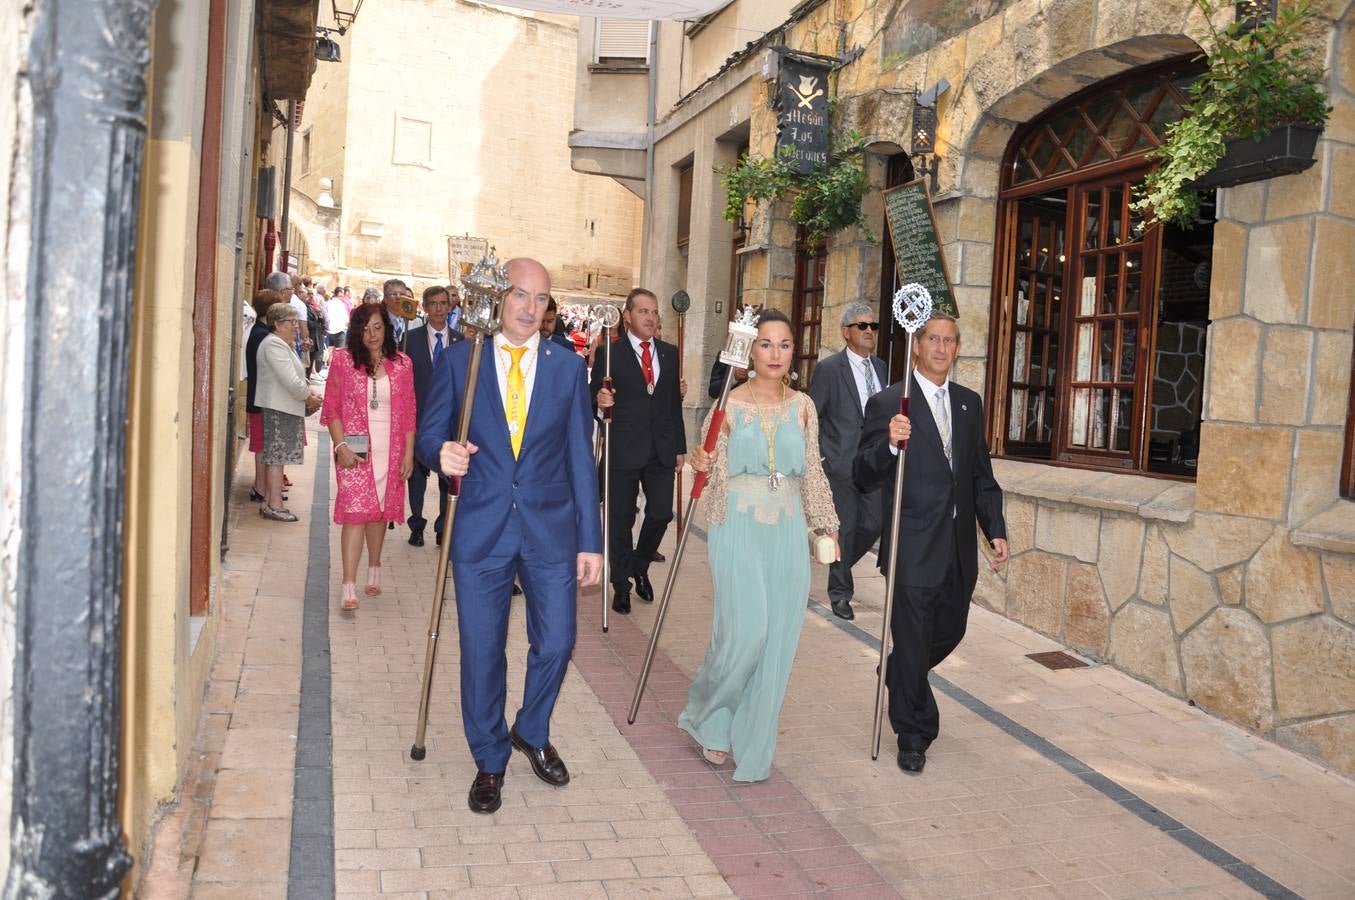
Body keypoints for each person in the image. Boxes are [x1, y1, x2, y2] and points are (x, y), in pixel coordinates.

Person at [418, 257, 602, 815]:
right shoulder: (460, 361)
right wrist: (442, 454)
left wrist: (590, 541)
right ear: (501, 298)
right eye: (520, 295)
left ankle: (530, 727)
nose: (529, 307)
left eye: (541, 299)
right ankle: (490, 758)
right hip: (480, 528)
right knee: (480, 649)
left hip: (550, 529)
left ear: (550, 308)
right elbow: (429, 436)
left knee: (557, 641)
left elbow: (580, 457)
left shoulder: (568, 369)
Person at [680, 309, 839, 782]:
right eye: (765, 344)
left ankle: (749, 736)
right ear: (750, 351)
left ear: (794, 351)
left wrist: (826, 525)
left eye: (784, 344)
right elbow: (708, 477)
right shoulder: (728, 405)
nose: (775, 353)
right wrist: (700, 461)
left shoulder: (805, 406)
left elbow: (812, 472)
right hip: (738, 529)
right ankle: (707, 714)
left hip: (787, 531)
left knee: (777, 642)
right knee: (746, 632)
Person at [854, 312, 1009, 775]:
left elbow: (980, 474)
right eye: (932, 339)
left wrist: (995, 528)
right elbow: (862, 474)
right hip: (912, 544)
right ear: (917, 346)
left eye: (949, 340)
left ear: (957, 348)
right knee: (916, 633)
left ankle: (899, 671)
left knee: (950, 629)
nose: (941, 348)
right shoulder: (889, 403)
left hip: (958, 547)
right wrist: (887, 444)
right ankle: (913, 732)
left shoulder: (968, 403)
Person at [593, 288, 685, 614]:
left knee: (661, 512)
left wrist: (679, 447)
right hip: (623, 448)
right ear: (627, 316)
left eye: (655, 312)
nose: (650, 317)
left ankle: (639, 563)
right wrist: (601, 403)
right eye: (643, 311)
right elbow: (595, 399)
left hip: (660, 449)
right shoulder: (610, 353)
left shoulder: (669, 353)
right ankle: (621, 583)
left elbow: (673, 402)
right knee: (620, 519)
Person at [321, 303, 417, 609]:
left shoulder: (402, 364)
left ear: (386, 329)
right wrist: (340, 447)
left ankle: (374, 569)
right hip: (356, 447)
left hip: (391, 447)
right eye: (364, 328)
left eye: (377, 327)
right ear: (355, 331)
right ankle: (348, 586)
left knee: (378, 512)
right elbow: (331, 408)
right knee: (355, 513)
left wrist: (409, 454)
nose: (371, 334)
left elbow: (410, 412)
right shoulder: (343, 361)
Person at [808, 302, 888, 621]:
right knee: (847, 526)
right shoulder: (829, 369)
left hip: (873, 465)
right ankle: (840, 593)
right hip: (840, 465)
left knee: (874, 524)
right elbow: (813, 416)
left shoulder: (881, 368)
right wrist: (822, 459)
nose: (869, 331)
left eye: (873, 326)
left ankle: (836, 566)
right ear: (846, 332)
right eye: (862, 326)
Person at [404, 285, 464, 547]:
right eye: (433, 303)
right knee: (417, 475)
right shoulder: (410, 339)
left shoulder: (462, 341)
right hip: (417, 416)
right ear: (425, 307)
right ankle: (416, 523)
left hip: (449, 419)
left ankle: (443, 526)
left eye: (443, 303)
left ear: (451, 307)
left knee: (446, 474)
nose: (439, 308)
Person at [255, 303, 323, 521]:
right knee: (276, 457)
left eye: (296, 321)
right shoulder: (274, 345)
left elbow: (296, 376)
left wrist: (309, 390)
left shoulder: (282, 344)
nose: (296, 326)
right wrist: (308, 397)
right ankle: (275, 504)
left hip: (283, 406)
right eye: (291, 322)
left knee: (277, 457)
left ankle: (270, 501)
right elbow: (290, 381)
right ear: (277, 324)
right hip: (279, 407)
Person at [246, 287, 283, 503]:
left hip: (258, 396)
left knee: (261, 444)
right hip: (262, 398)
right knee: (262, 445)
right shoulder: (263, 335)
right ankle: (260, 486)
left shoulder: (259, 331)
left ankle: (261, 486)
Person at [325, 285, 351, 352]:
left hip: (330, 331)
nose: (343, 296)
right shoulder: (341, 304)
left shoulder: (328, 303)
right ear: (339, 293)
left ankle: (329, 363)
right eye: (342, 294)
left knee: (330, 351)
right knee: (339, 352)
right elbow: (346, 320)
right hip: (339, 331)